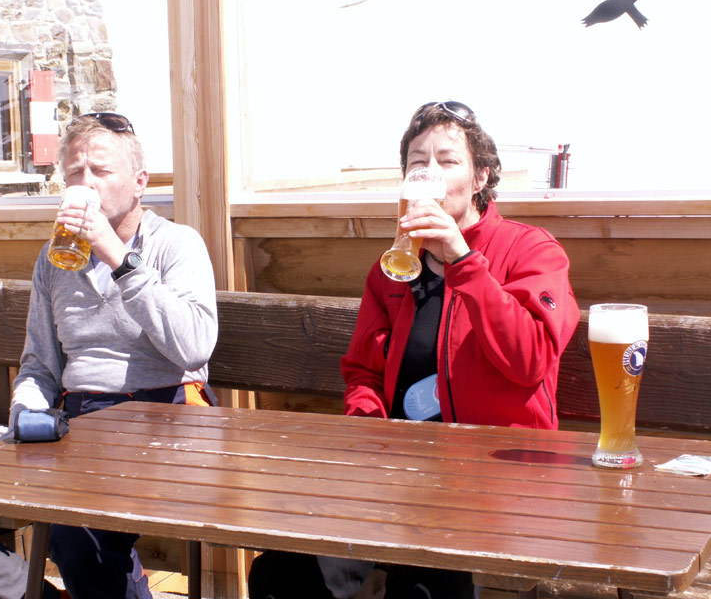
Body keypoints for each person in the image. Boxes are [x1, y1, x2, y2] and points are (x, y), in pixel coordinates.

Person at [248, 101, 580, 599]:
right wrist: (369, 435)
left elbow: (530, 358)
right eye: (417, 164)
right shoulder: (395, 267)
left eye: (447, 161)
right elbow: (363, 371)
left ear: (480, 177)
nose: (430, 174)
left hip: (496, 479)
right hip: (398, 475)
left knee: (422, 589)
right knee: (280, 575)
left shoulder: (530, 250)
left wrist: (462, 259)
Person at [0, 112, 219, 599]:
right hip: (76, 424)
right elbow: (39, 364)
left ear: (139, 183)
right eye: (75, 173)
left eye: (101, 170)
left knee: (76, 536)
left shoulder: (176, 245)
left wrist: (118, 257)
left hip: (164, 419)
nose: (86, 183)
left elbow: (195, 345)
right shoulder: (55, 257)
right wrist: (26, 416)